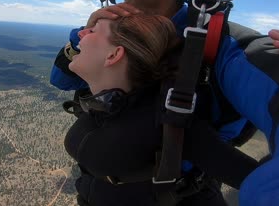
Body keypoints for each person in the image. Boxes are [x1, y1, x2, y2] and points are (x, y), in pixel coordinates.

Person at [51, 0, 279, 205]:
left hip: (175, 195)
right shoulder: (117, 33)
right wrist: (82, 37)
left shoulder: (217, 44)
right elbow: (62, 80)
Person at [64, 15, 259, 206]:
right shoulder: (103, 106)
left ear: (113, 55)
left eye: (93, 30)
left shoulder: (170, 121)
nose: (81, 32)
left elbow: (261, 179)